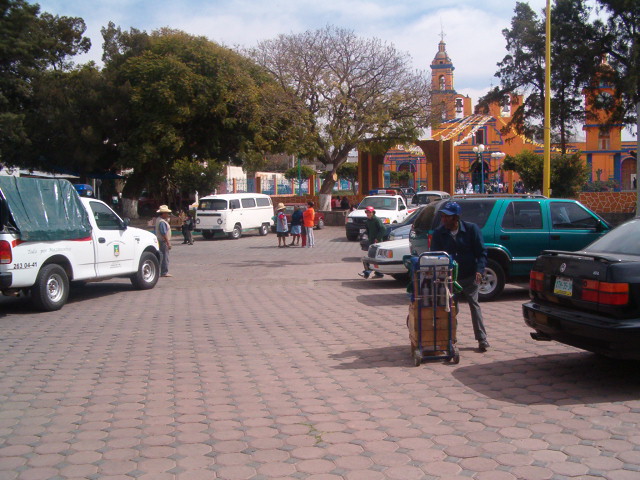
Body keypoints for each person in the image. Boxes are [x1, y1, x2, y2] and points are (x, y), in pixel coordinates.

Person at [430, 201, 489, 352]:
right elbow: (434, 256)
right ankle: (450, 339)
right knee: (450, 309)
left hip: (470, 276)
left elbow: (481, 252)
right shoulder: (439, 233)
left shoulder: (471, 229)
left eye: (446, 217)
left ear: (456, 218)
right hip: (450, 279)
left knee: (474, 306)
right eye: (442, 216)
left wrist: (480, 270)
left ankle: (482, 339)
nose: (443, 219)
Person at [358, 206, 385, 279]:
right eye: (367, 212)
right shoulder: (367, 221)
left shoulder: (376, 220)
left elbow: (383, 229)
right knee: (374, 258)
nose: (368, 214)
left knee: (372, 257)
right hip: (371, 241)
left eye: (369, 212)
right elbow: (368, 230)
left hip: (377, 242)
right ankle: (378, 273)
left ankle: (366, 273)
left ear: (373, 212)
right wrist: (364, 235)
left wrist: (378, 238)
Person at [155, 205, 173, 277]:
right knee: (165, 256)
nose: (167, 215)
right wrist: (168, 242)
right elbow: (163, 233)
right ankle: (164, 272)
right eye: (166, 213)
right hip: (163, 241)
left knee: (163, 256)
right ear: (163, 213)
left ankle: (162, 271)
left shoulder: (159, 220)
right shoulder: (162, 222)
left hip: (160, 240)